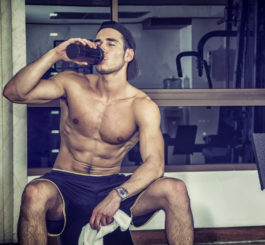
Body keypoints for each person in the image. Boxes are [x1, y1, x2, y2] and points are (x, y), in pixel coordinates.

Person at [3, 21, 194, 245]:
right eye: (98, 43)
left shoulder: (141, 105)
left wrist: (117, 195)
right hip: (66, 182)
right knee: (34, 193)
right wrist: (55, 55)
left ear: (128, 54)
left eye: (111, 43)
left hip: (111, 183)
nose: (102, 48)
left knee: (176, 190)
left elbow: (155, 165)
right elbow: (14, 93)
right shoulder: (72, 83)